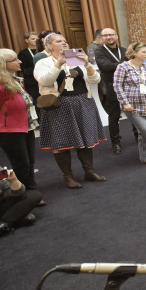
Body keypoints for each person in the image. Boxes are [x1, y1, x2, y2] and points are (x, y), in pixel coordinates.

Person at [34, 33, 107, 188]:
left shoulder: (77, 60)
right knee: (61, 143)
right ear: (49, 46)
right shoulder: (44, 62)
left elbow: (96, 80)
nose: (64, 43)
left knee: (86, 140)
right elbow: (45, 81)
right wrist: (58, 65)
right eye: (59, 41)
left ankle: (89, 172)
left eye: (65, 41)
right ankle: (68, 176)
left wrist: (87, 65)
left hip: (82, 103)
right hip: (58, 106)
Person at [0, 49, 43, 204]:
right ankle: (21, 197)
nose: (19, 61)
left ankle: (31, 192)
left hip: (24, 127)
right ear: (3, 64)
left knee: (29, 163)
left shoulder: (14, 80)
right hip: (9, 132)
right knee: (21, 165)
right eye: (15, 60)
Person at [93, 27, 128, 155]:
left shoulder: (123, 50)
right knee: (114, 116)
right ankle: (116, 143)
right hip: (111, 86)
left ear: (116, 36)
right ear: (103, 38)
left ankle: (137, 136)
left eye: (111, 35)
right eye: (106, 35)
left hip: (127, 85)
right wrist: (125, 63)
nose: (109, 37)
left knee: (134, 112)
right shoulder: (99, 51)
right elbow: (106, 66)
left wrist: (120, 64)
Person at [17, 31, 40, 104]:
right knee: (36, 102)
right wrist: (35, 67)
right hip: (32, 82)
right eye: (33, 39)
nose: (35, 41)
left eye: (37, 39)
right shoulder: (23, 53)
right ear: (27, 40)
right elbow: (22, 70)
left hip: (43, 79)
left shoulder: (42, 51)